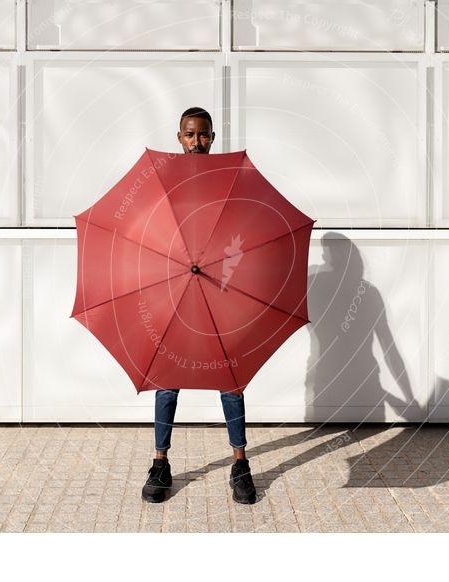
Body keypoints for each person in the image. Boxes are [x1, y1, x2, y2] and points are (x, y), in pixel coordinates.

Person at [141, 107, 257, 505]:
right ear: (179, 137)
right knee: (166, 376)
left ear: (212, 136)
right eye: (190, 135)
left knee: (230, 378)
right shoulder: (164, 182)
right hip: (177, 287)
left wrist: (229, 269)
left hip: (218, 288)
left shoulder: (229, 179)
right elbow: (152, 228)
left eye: (204, 135)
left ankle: (240, 463)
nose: (197, 143)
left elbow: (241, 230)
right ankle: (161, 463)